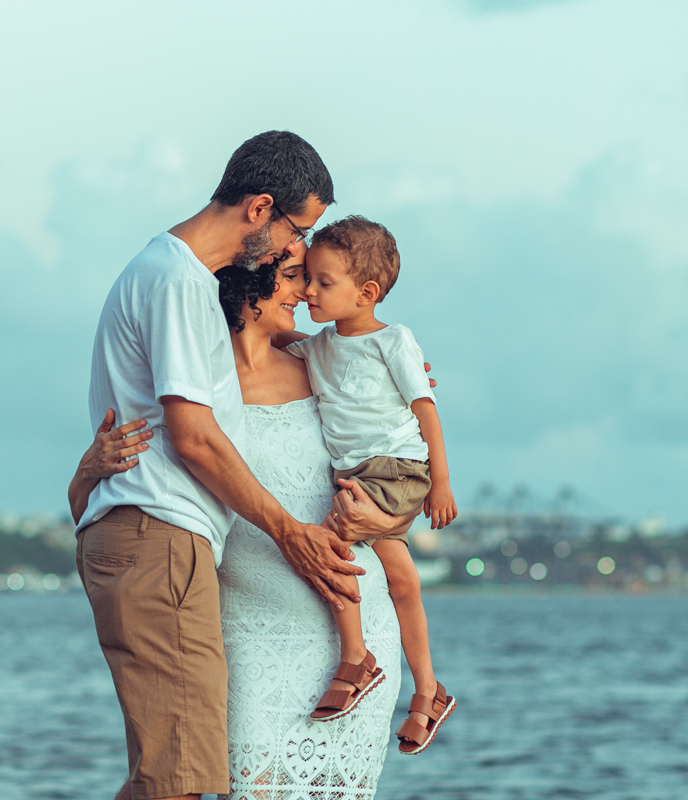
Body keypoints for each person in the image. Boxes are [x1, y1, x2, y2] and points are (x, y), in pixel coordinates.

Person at [69, 131, 406, 800]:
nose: (294, 252)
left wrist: (382, 365)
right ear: (259, 208)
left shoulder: (183, 282)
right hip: (159, 539)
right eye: (295, 232)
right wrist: (290, 533)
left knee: (179, 777)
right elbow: (194, 438)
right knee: (176, 780)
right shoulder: (175, 279)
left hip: (167, 542)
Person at [285, 216, 457, 754]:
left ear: (366, 293)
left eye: (323, 282)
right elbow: (277, 340)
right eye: (307, 278)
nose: (309, 290)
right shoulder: (319, 347)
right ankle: (428, 691)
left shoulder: (394, 341)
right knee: (403, 581)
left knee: (333, 543)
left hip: (398, 468)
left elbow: (425, 409)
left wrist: (441, 483)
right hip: (360, 474)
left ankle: (356, 659)